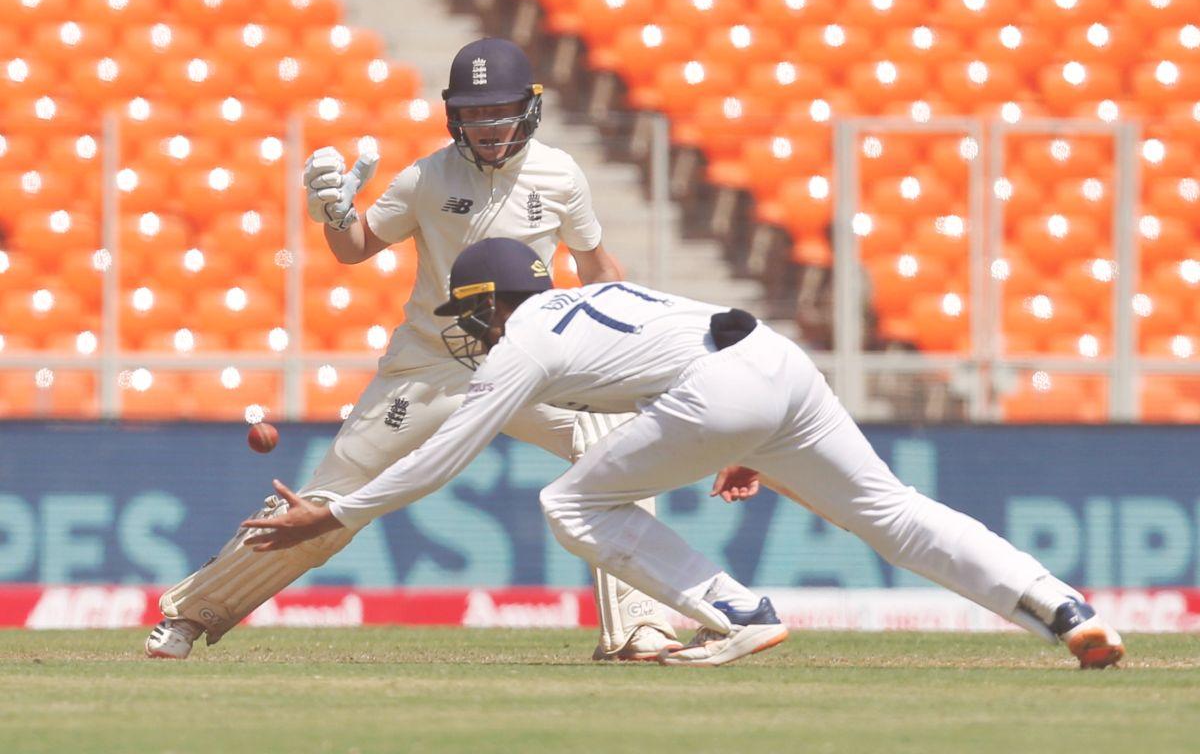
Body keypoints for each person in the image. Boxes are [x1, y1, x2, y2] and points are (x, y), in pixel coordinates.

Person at [240, 237, 1126, 669]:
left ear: (494, 302)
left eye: (473, 310)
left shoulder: (523, 343)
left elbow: (444, 455)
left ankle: (737, 612)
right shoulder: (593, 294)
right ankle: (1063, 608)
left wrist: (341, 508)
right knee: (896, 514)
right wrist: (749, 435)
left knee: (569, 504)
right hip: (772, 364)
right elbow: (690, 350)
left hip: (721, 391)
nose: (471, 328)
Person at [145, 38, 682, 661]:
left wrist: (634, 341)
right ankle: (191, 615)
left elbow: (596, 267)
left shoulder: (560, 175)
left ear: (529, 108)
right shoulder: (427, 177)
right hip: (430, 364)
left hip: (530, 362)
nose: (487, 126)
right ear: (454, 114)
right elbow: (354, 248)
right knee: (327, 502)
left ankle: (640, 626)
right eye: (474, 113)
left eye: (500, 110)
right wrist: (333, 211)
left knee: (618, 445)